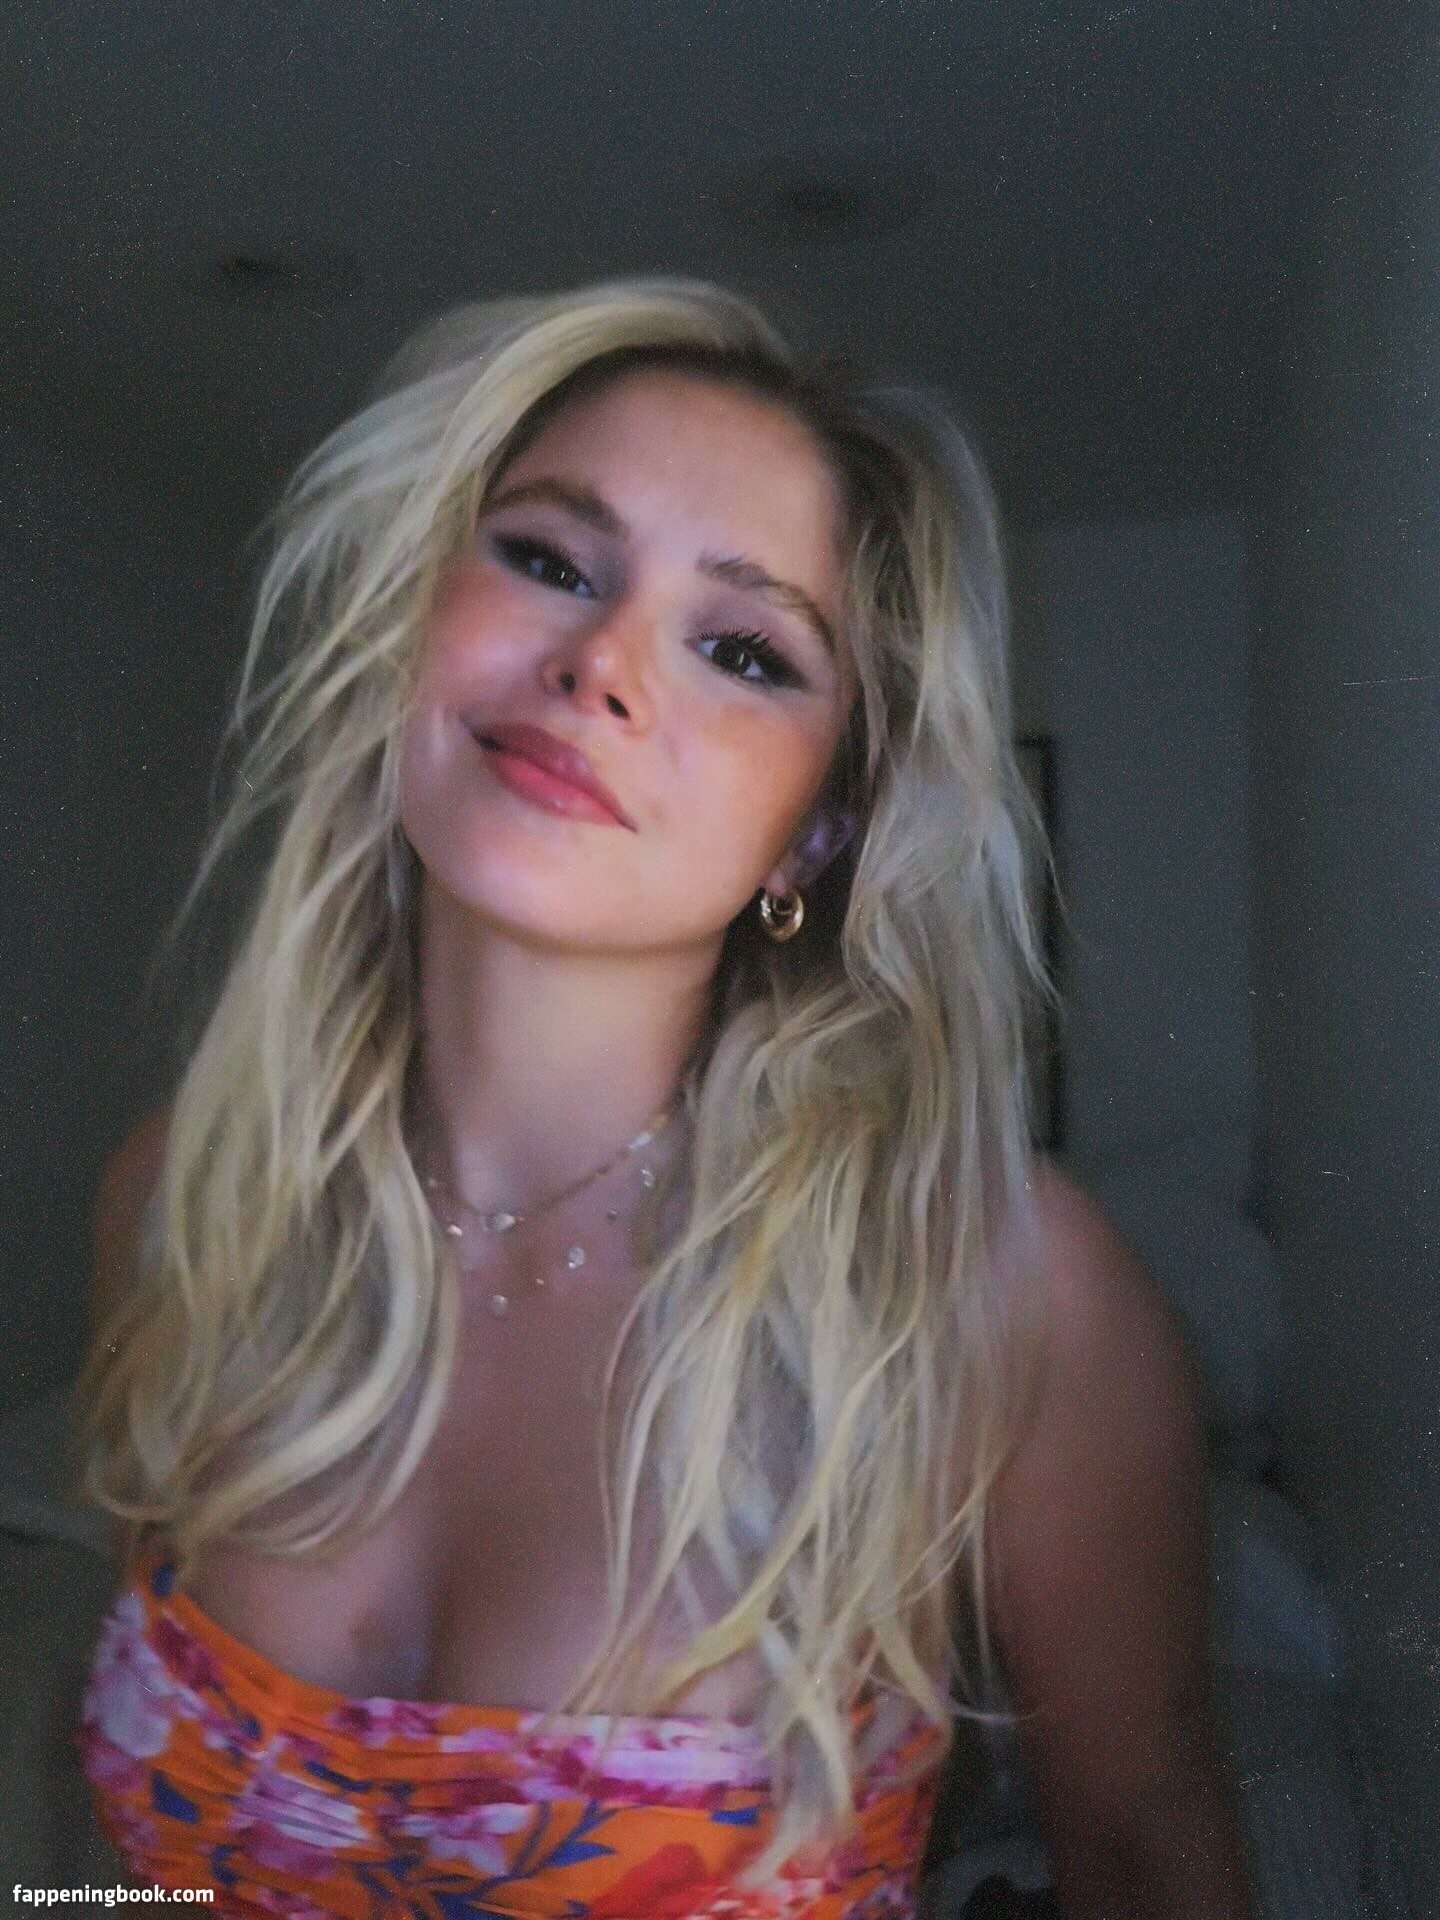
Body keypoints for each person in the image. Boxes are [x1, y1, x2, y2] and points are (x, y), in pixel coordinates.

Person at [72, 275, 1253, 1918]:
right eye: (551, 560)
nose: (604, 663)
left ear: (817, 833)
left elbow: (1143, 1854)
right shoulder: (179, 1199)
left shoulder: (995, 1288)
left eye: (744, 650)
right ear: (409, 627)